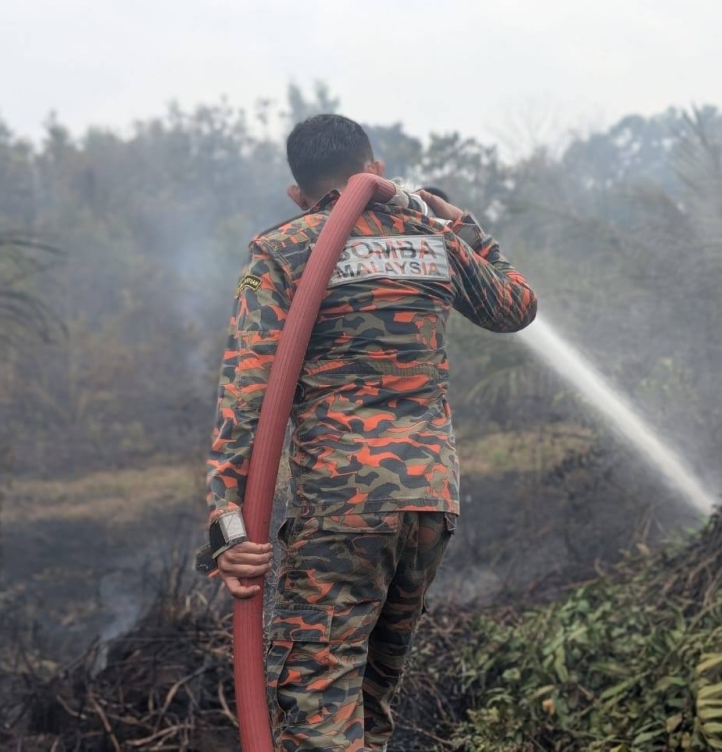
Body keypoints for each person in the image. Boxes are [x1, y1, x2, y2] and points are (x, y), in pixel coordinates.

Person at [204, 113, 537, 751]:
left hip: (343, 507)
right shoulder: (434, 238)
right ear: (376, 171)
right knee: (370, 703)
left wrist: (227, 525)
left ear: (297, 194)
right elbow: (516, 305)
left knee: (319, 705)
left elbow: (246, 394)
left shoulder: (285, 246)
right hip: (429, 505)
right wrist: (455, 216)